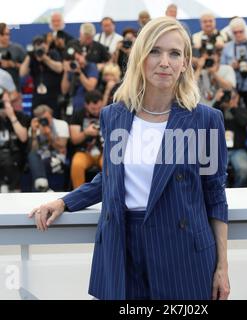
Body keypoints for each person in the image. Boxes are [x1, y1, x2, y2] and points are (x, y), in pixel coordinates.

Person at [29, 17, 230, 301]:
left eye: (175, 54)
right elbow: (111, 177)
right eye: (155, 51)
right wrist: (64, 202)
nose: (164, 62)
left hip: (182, 251)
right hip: (124, 246)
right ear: (140, 58)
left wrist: (222, 265)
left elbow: (215, 195)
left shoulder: (206, 120)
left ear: (185, 62)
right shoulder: (114, 116)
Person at [221, 17, 247, 120]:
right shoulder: (227, 47)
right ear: (232, 33)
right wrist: (231, 66)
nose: (238, 34)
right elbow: (223, 66)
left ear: (245, 30)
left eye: (241, 31)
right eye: (235, 32)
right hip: (234, 87)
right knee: (234, 116)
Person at [213, 88, 247, 187]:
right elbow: (210, 122)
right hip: (219, 150)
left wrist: (233, 108)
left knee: (243, 168)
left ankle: (237, 191)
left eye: (233, 97)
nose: (229, 99)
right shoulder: (217, 111)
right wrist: (217, 102)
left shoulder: (242, 111)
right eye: (228, 97)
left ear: (238, 98)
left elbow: (243, 121)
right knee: (217, 170)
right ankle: (225, 192)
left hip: (238, 150)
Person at [19, 35, 63, 118]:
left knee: (54, 118)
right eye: (37, 45)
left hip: (53, 94)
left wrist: (44, 58)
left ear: (46, 45)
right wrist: (29, 56)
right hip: (37, 95)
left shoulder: (53, 53)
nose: (40, 47)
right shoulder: (32, 57)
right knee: (35, 118)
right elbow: (22, 73)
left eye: (41, 44)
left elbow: (59, 68)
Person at [27, 105, 69, 192]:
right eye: (41, 118)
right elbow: (33, 150)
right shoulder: (35, 127)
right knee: (32, 156)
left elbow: (62, 148)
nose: (45, 121)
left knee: (37, 166)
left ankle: (42, 189)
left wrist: (49, 136)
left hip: (57, 159)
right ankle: (44, 188)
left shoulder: (61, 124)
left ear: (51, 115)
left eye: (47, 118)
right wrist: (34, 133)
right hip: (40, 157)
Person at [69, 90, 104, 189]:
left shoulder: (107, 112)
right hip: (85, 151)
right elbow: (74, 139)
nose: (97, 111)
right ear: (86, 105)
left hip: (104, 151)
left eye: (99, 108)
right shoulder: (78, 114)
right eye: (93, 108)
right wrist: (85, 133)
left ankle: (109, 193)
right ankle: (78, 193)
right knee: (77, 164)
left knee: (110, 164)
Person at [0, 91, 29, 192]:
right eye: (2, 102)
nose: (4, 105)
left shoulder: (20, 116)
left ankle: (11, 189)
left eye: (7, 102)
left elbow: (23, 138)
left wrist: (12, 117)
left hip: (15, 154)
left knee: (9, 159)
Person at [61, 42, 99, 112]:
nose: (76, 62)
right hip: (72, 107)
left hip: (86, 108)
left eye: (78, 59)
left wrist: (79, 72)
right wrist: (66, 72)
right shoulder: (71, 69)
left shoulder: (91, 67)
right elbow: (64, 91)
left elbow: (90, 87)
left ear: (83, 55)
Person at [0, 23, 26, 92]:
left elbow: (27, 68)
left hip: (15, 91)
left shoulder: (18, 49)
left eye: (7, 34)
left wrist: (13, 64)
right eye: (2, 34)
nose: (6, 37)